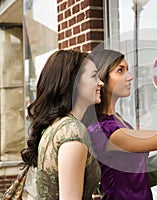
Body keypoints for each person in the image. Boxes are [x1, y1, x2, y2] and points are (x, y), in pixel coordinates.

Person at [84, 46, 157, 200]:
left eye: (128, 69)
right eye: (120, 70)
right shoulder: (105, 130)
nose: (130, 77)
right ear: (102, 78)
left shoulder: (119, 120)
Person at [20, 50, 104, 199]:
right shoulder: (73, 132)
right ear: (73, 82)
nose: (100, 83)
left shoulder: (56, 125)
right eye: (94, 76)